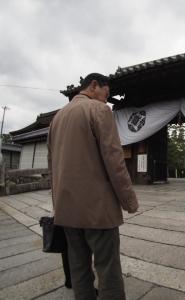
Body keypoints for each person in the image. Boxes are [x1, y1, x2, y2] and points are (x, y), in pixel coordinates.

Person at [47, 73, 138, 300]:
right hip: (98, 210)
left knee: (78, 267)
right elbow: (114, 160)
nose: (106, 100)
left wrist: (57, 203)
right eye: (106, 94)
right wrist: (129, 201)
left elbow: (52, 166)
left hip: (67, 210)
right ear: (94, 85)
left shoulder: (57, 118)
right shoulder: (99, 110)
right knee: (108, 268)